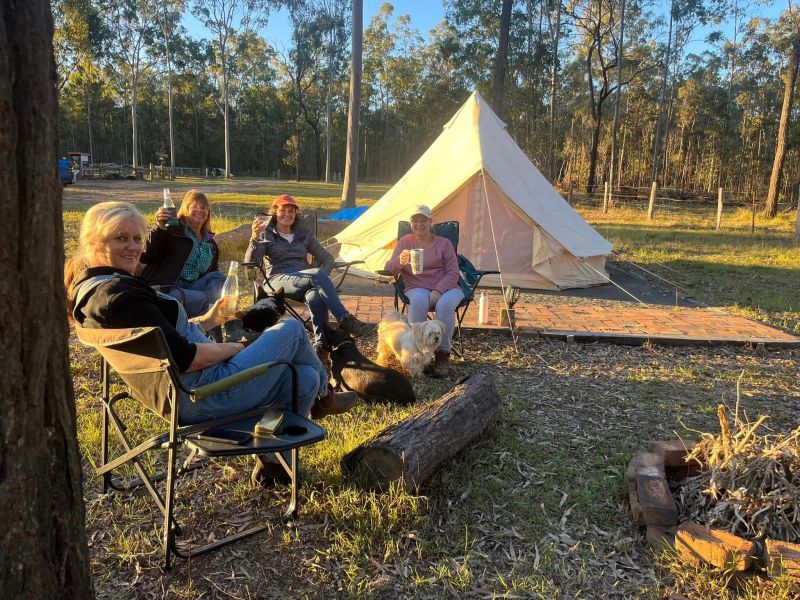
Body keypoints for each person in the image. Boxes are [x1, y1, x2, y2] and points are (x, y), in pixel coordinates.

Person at [65, 201, 357, 485]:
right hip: (202, 393)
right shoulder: (119, 296)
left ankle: (275, 464)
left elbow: (165, 340)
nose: (133, 246)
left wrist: (208, 320)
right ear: (93, 242)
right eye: (121, 238)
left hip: (188, 385)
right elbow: (188, 358)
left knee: (303, 376)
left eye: (137, 238)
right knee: (291, 330)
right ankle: (324, 395)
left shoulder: (99, 287)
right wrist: (239, 349)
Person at [244, 194, 374, 361]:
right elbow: (251, 263)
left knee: (315, 296)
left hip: (305, 279)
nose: (287, 214)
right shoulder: (266, 234)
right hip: (277, 280)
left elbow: (327, 258)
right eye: (283, 210)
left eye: (292, 211)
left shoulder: (303, 234)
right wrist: (255, 237)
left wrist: (322, 279)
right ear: (274, 213)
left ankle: (321, 346)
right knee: (316, 275)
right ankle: (345, 320)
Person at [384, 205, 464, 377]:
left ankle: (442, 354)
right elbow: (389, 268)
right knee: (419, 300)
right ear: (411, 223)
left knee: (445, 304)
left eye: (423, 221)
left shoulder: (444, 243)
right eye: (415, 221)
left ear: (430, 222)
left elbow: (453, 272)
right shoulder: (406, 241)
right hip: (417, 286)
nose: (419, 224)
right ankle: (415, 351)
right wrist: (399, 261)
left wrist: (438, 290)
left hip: (448, 287)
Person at [139, 189, 225, 317]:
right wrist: (160, 228)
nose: (200, 210)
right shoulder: (173, 231)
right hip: (169, 287)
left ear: (208, 212)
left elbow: (212, 277)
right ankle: (211, 332)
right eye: (195, 206)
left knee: (220, 279)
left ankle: (233, 328)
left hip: (194, 285)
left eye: (204, 207)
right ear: (185, 208)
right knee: (202, 298)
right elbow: (146, 256)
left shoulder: (210, 243)